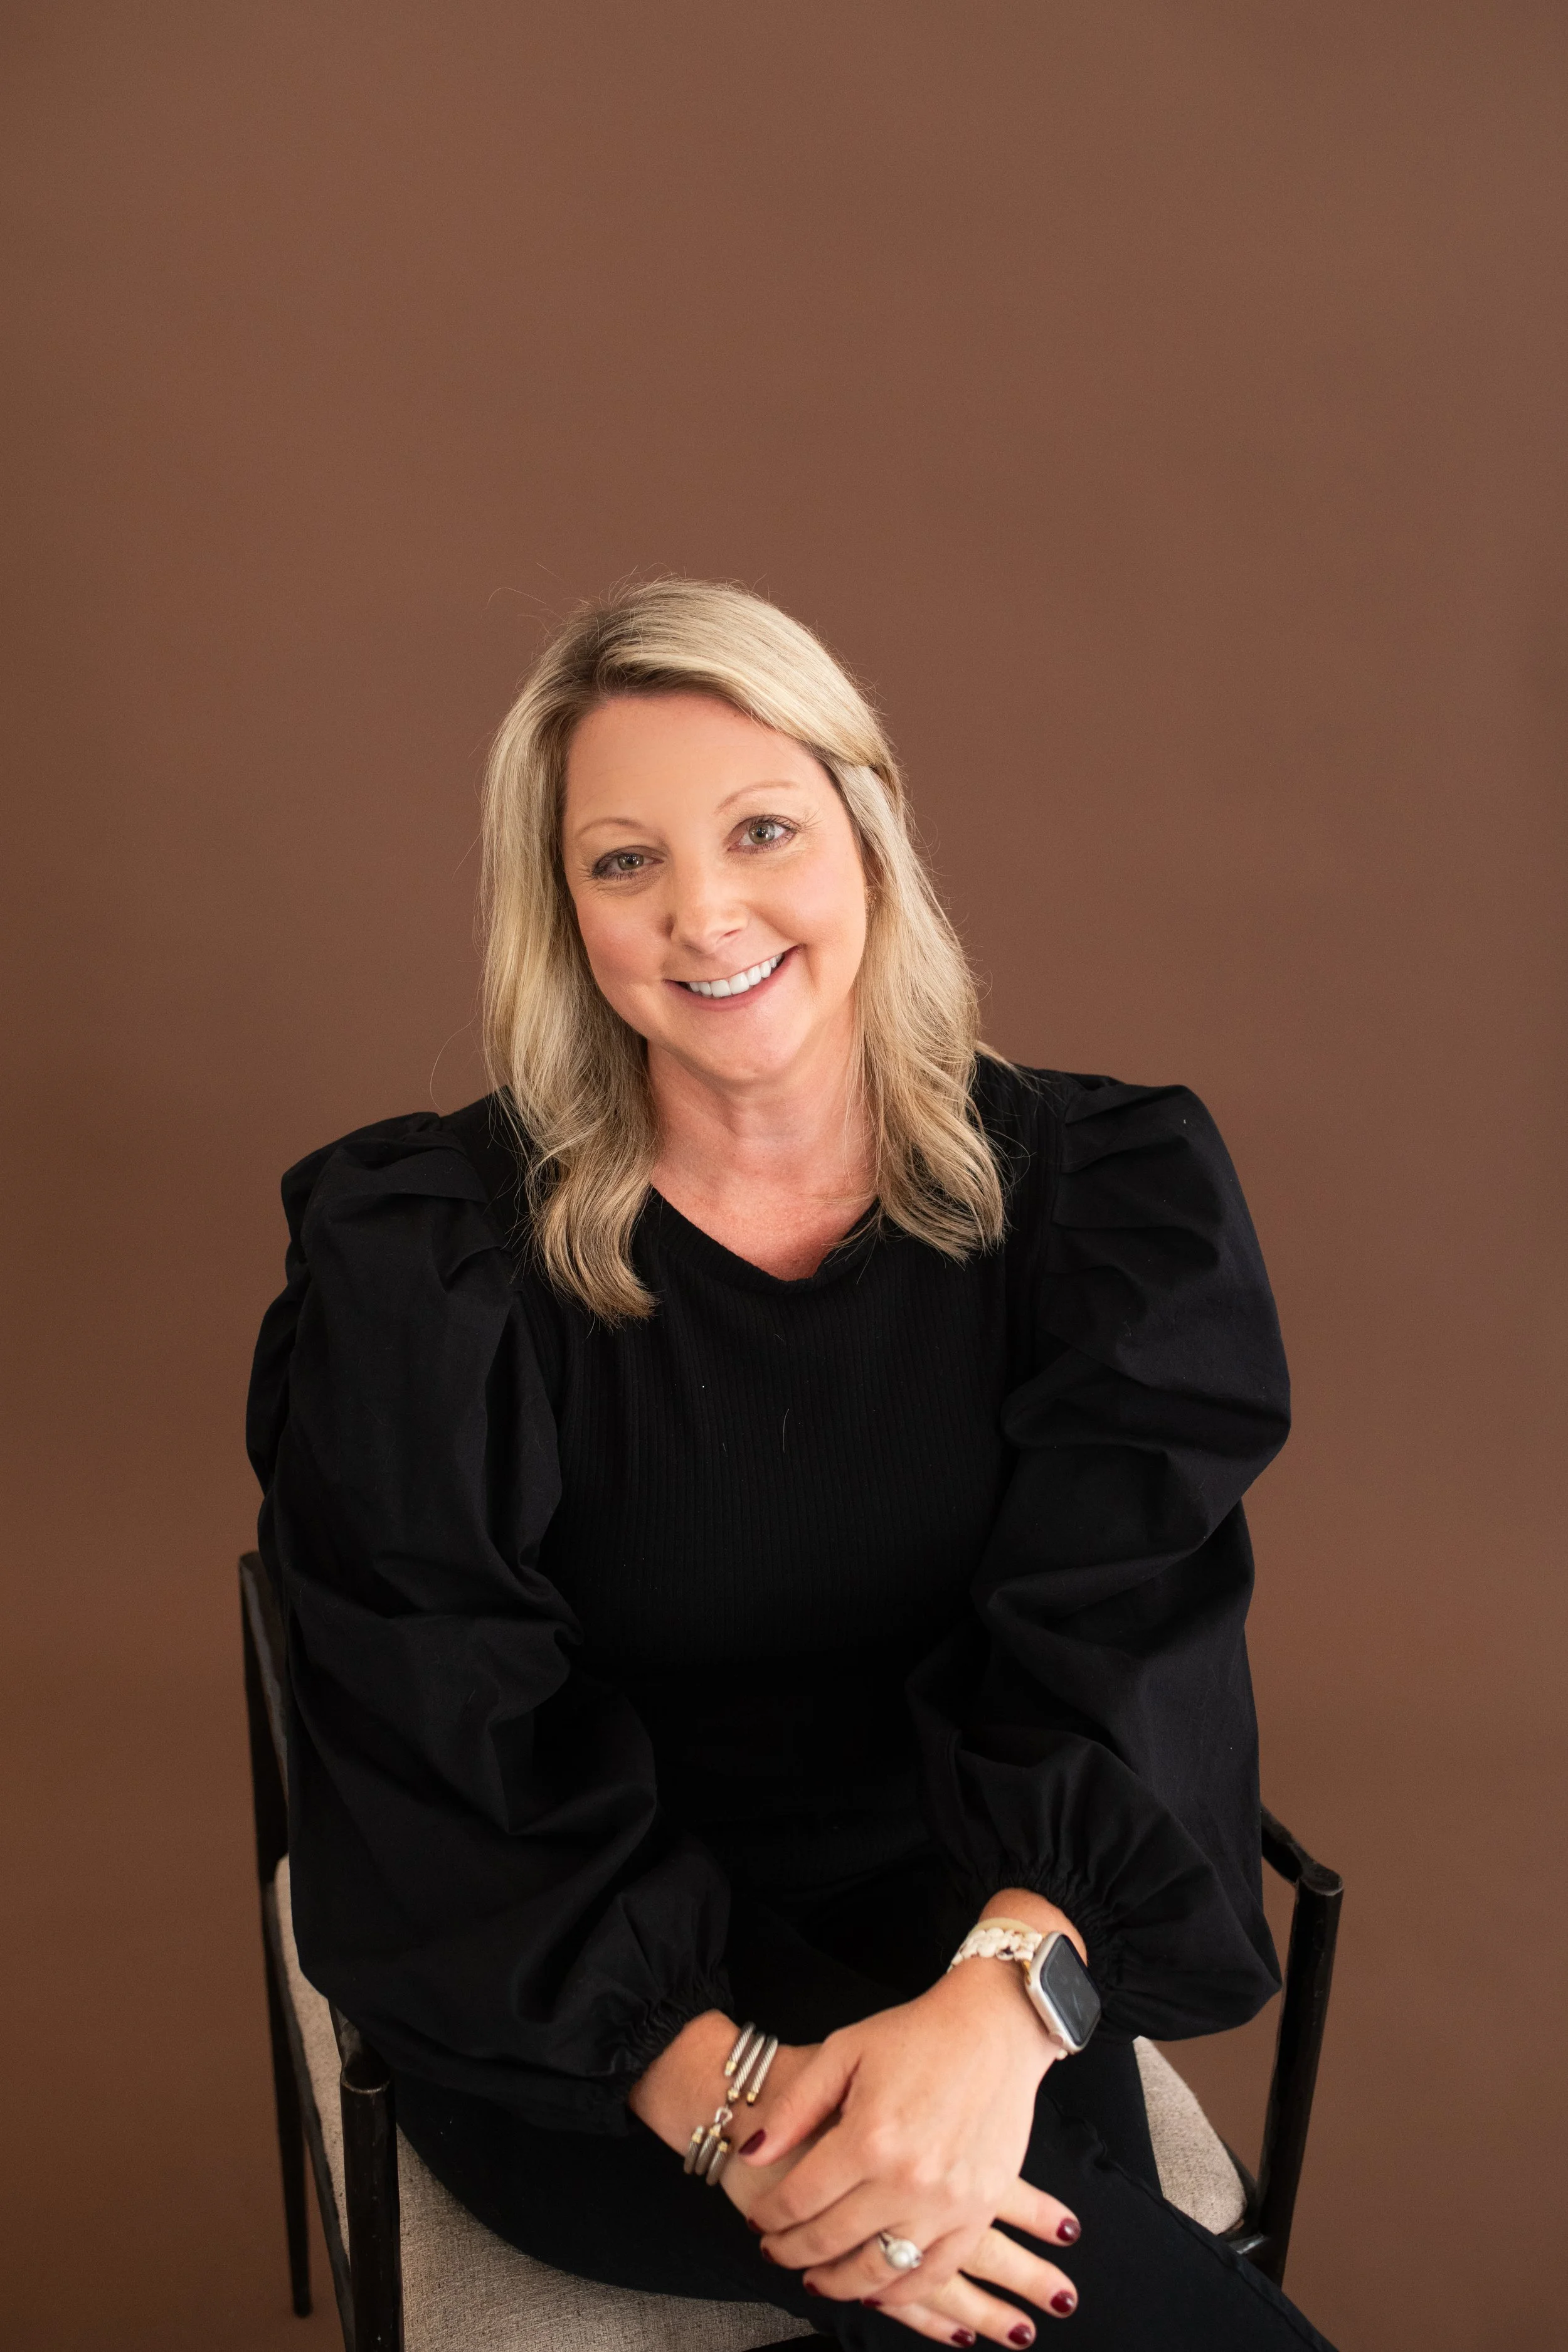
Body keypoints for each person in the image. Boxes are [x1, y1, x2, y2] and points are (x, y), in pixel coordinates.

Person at [248, 580, 1334, 2351]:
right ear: (561, 909)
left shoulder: (1097, 1203)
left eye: (762, 829)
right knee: (1081, 2304)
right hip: (581, 1987)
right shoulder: (433, 1263)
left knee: (1027, 2268)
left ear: (869, 835)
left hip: (972, 1931)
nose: (704, 912)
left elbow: (1126, 1641)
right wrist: (726, 2101)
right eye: (624, 861)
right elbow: (439, 1726)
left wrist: (996, 2010)